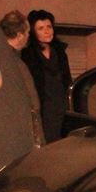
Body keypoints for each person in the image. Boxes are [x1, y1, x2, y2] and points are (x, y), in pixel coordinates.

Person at [22, 9, 73, 142]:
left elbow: (67, 78)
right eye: (41, 28)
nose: (47, 31)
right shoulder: (28, 54)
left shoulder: (59, 51)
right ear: (33, 31)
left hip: (60, 106)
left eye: (49, 27)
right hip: (43, 107)